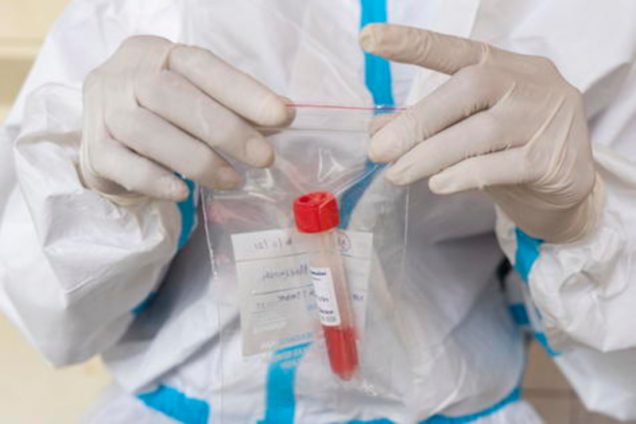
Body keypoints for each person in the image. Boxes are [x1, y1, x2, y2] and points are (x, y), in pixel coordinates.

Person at [2, 0, 636, 422]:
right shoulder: (145, 8)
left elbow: (625, 369)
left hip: (453, 407)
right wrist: (94, 186)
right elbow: (52, 318)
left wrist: (581, 224)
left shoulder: (591, 17)